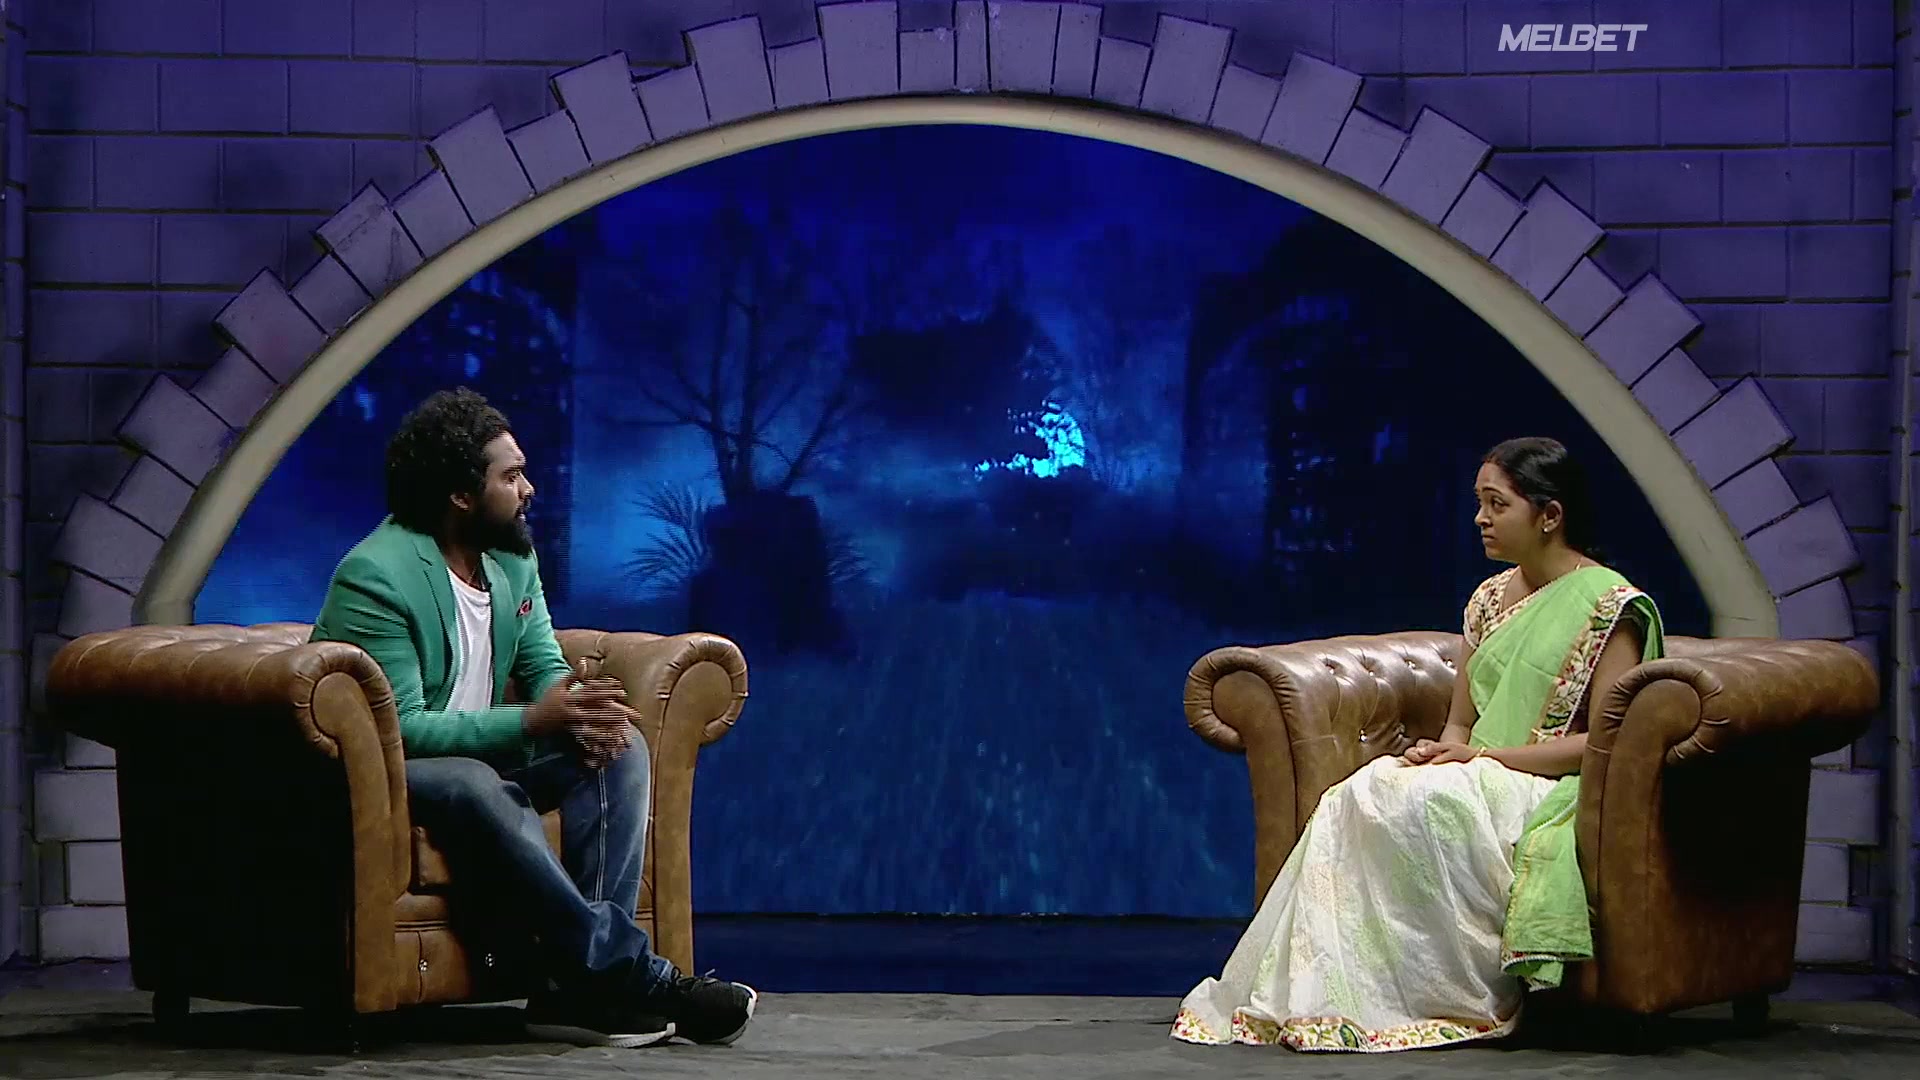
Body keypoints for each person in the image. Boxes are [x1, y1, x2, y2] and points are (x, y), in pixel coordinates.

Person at [1171, 436, 1664, 1053]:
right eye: (1479, 502)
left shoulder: (1610, 607)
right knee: (1360, 793)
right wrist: (1441, 752)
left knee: (1431, 803)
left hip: (1551, 786)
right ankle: (1334, 996)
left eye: (1497, 504)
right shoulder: (1489, 600)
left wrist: (1479, 759)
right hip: (1478, 768)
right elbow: (1459, 723)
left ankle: (1443, 999)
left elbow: (1606, 748)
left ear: (1550, 515)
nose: (1480, 518)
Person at [310, 388, 757, 1049]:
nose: (529, 489)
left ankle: (570, 993)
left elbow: (543, 660)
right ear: (461, 495)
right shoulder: (376, 574)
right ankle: (628, 976)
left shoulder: (511, 557)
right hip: (394, 773)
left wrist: (579, 711)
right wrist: (532, 719)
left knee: (620, 749)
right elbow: (397, 729)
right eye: (511, 476)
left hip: (483, 756)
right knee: (473, 782)